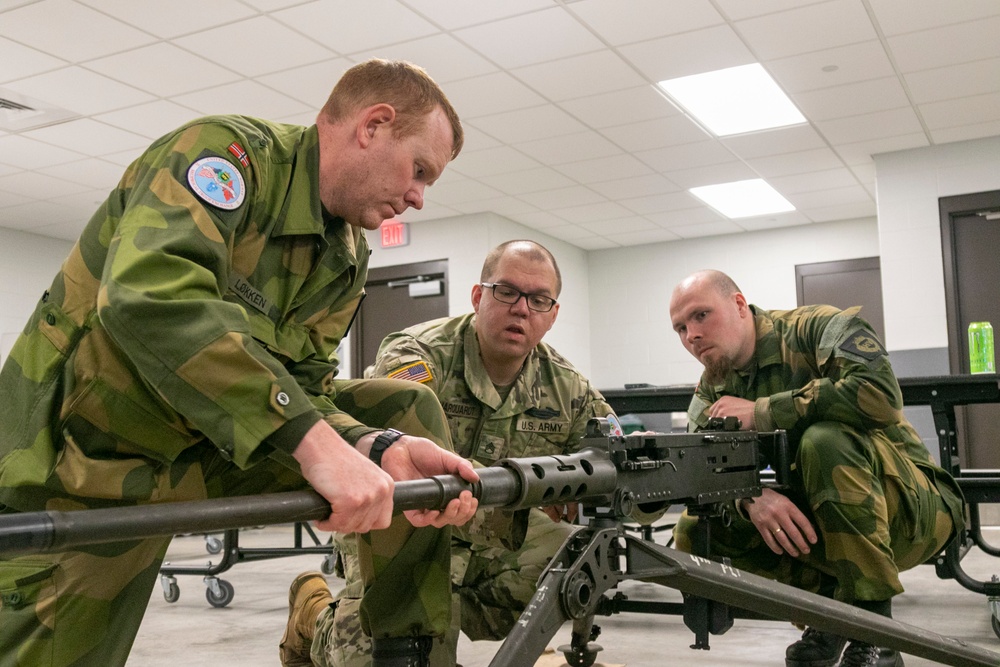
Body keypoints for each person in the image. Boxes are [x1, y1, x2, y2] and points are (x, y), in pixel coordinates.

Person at [0, 58, 480, 667]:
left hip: (200, 453)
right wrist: (314, 444)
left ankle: (402, 653)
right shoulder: (229, 160)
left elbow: (306, 383)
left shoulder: (345, 255)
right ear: (374, 124)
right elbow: (147, 296)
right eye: (419, 171)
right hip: (78, 467)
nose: (416, 196)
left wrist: (374, 447)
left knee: (405, 414)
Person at [281, 240, 633, 667]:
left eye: (539, 299)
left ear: (552, 314)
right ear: (478, 296)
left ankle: (442, 629)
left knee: (573, 558)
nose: (522, 308)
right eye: (507, 291)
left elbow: (622, 461)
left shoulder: (567, 388)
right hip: (405, 526)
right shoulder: (416, 356)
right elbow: (409, 466)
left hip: (491, 534)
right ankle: (314, 612)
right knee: (385, 656)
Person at [667, 270, 964, 667]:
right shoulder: (713, 387)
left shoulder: (815, 328)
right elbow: (697, 469)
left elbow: (881, 395)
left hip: (914, 511)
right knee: (694, 527)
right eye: (680, 328)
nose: (692, 335)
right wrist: (750, 498)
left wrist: (763, 411)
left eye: (701, 315)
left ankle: (876, 630)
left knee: (823, 440)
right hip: (830, 518)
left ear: (739, 305)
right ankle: (829, 615)